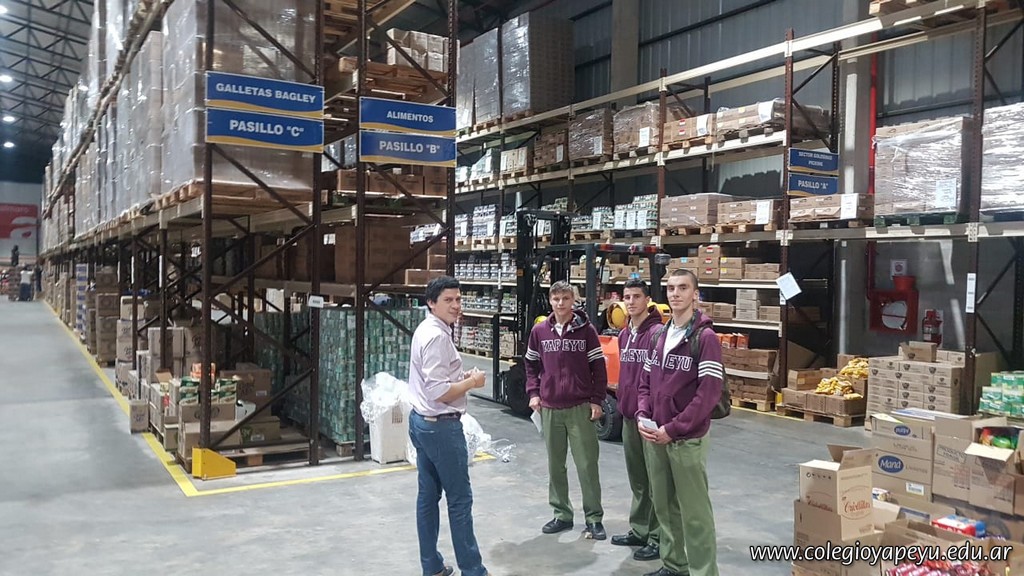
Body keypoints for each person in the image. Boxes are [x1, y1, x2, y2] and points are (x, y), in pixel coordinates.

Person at [636, 269, 721, 576]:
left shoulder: (705, 338)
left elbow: (708, 394)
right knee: (664, 507)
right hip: (655, 436)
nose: (676, 293)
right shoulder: (658, 335)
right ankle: (674, 565)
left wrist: (673, 429)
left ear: (695, 294)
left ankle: (704, 571)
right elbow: (644, 382)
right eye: (671, 288)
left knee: (695, 513)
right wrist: (642, 415)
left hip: (686, 439)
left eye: (683, 288)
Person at [407, 275, 490, 576]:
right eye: (448, 300)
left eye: (458, 299)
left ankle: (432, 566)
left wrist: (458, 377)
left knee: (428, 496)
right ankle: (473, 570)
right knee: (459, 500)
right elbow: (439, 391)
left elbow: (436, 380)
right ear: (432, 303)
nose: (456, 305)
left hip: (422, 422)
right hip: (441, 428)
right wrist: (472, 382)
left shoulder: (429, 328)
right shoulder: (437, 337)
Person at [525, 281, 607, 540]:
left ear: (574, 301)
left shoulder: (587, 331)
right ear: (550, 301)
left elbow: (598, 368)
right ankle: (561, 514)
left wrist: (597, 400)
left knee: (587, 465)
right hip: (550, 408)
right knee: (555, 465)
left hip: (579, 408)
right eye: (556, 299)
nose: (560, 303)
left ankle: (594, 518)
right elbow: (530, 365)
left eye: (565, 298)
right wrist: (534, 393)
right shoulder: (539, 331)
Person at [610, 279, 663, 561]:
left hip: (651, 419)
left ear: (647, 300)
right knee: (638, 480)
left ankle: (657, 537)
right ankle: (640, 529)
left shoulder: (657, 333)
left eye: (636, 297)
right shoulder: (623, 335)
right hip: (629, 415)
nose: (630, 302)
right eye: (627, 297)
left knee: (655, 482)